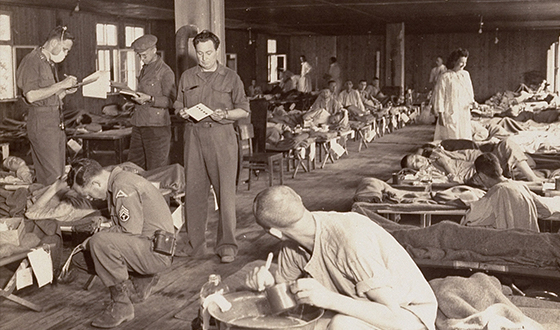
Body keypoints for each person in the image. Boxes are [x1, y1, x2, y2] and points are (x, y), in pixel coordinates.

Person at [245, 186, 437, 330]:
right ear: (300, 200)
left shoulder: (348, 240)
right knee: (308, 325)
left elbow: (394, 317)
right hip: (363, 308)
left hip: (410, 316)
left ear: (274, 232)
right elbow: (289, 308)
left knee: (341, 325)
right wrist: (270, 285)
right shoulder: (291, 246)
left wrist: (328, 299)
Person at [67, 158, 174, 328]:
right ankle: (142, 280)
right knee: (81, 258)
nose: (90, 199)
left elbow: (129, 231)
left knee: (98, 243)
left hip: (155, 253)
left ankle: (121, 305)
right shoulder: (119, 179)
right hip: (152, 247)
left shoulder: (122, 187)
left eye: (87, 194)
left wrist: (93, 239)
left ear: (95, 183)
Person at [174, 30, 250, 263]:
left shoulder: (231, 77)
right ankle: (195, 245)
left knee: (225, 193)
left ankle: (227, 245)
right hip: (194, 136)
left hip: (221, 137)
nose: (204, 57)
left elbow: (244, 110)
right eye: (199, 53)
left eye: (209, 52)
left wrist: (225, 113)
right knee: (194, 193)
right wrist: (181, 111)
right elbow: (177, 103)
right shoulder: (187, 76)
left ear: (217, 51)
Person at [16, 26, 78, 185]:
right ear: (54, 42)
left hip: (54, 121)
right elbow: (31, 96)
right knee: (53, 177)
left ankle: (48, 206)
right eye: (65, 49)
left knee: (58, 173)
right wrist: (61, 85)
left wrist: (65, 91)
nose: (66, 53)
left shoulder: (48, 63)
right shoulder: (32, 60)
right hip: (42, 122)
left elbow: (48, 96)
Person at [461, 153, 549, 231]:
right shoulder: (521, 186)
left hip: (511, 247)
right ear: (501, 170)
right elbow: (546, 211)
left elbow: (469, 219)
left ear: (482, 176)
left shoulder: (496, 192)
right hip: (531, 244)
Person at [126, 34, 176, 170]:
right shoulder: (145, 69)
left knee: (156, 170)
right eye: (139, 56)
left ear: (154, 50)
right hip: (139, 124)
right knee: (133, 167)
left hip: (156, 128)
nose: (142, 59)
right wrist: (132, 101)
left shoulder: (165, 72)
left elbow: (172, 101)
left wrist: (150, 99)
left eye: (144, 55)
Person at [400, 137, 541, 183]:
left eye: (419, 157)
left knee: (506, 143)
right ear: (415, 170)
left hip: (482, 163)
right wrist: (446, 166)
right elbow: (456, 182)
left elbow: (471, 154)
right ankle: (534, 179)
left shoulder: (437, 157)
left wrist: (445, 155)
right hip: (478, 175)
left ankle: (530, 176)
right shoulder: (428, 173)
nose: (421, 160)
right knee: (508, 147)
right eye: (416, 162)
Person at [432, 48, 475, 141]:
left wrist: (472, 102)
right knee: (451, 134)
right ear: (454, 61)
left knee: (463, 134)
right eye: (461, 62)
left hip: (463, 110)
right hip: (450, 110)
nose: (464, 65)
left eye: (465, 62)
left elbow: (469, 91)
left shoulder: (465, 75)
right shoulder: (445, 77)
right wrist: (440, 114)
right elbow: (440, 96)